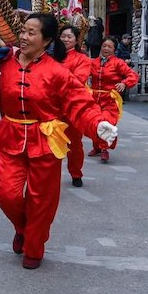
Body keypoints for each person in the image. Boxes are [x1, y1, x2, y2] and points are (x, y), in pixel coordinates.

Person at [0, 13, 117, 269]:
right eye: (23, 31)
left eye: (32, 33)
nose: (24, 37)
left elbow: (80, 104)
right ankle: (22, 228)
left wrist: (98, 123)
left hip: (46, 140)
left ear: (46, 40)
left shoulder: (57, 72)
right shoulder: (5, 63)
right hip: (11, 137)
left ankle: (34, 245)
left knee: (42, 200)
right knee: (6, 195)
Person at [88, 37, 140, 162]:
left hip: (110, 99)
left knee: (106, 123)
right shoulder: (93, 62)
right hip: (94, 98)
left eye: (109, 46)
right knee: (94, 123)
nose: (106, 48)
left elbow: (133, 75)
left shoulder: (118, 63)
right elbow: (82, 73)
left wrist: (124, 83)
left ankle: (105, 148)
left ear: (114, 49)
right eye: (104, 45)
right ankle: (97, 147)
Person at [58, 25, 92, 187]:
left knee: (74, 144)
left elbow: (78, 80)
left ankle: (76, 173)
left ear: (76, 39)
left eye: (69, 37)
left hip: (72, 107)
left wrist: (53, 80)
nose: (65, 39)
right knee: (50, 142)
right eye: (63, 36)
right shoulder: (51, 56)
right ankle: (50, 175)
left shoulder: (82, 59)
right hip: (52, 107)